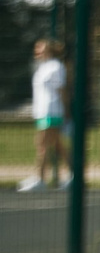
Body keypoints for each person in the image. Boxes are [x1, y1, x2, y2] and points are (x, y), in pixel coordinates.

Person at [19, 40, 65, 192]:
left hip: (52, 111)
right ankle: (75, 176)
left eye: (40, 48)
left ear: (49, 51)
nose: (37, 51)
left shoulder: (56, 66)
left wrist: (66, 112)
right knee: (57, 145)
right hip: (43, 112)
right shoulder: (42, 67)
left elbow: (62, 90)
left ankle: (40, 179)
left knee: (42, 145)